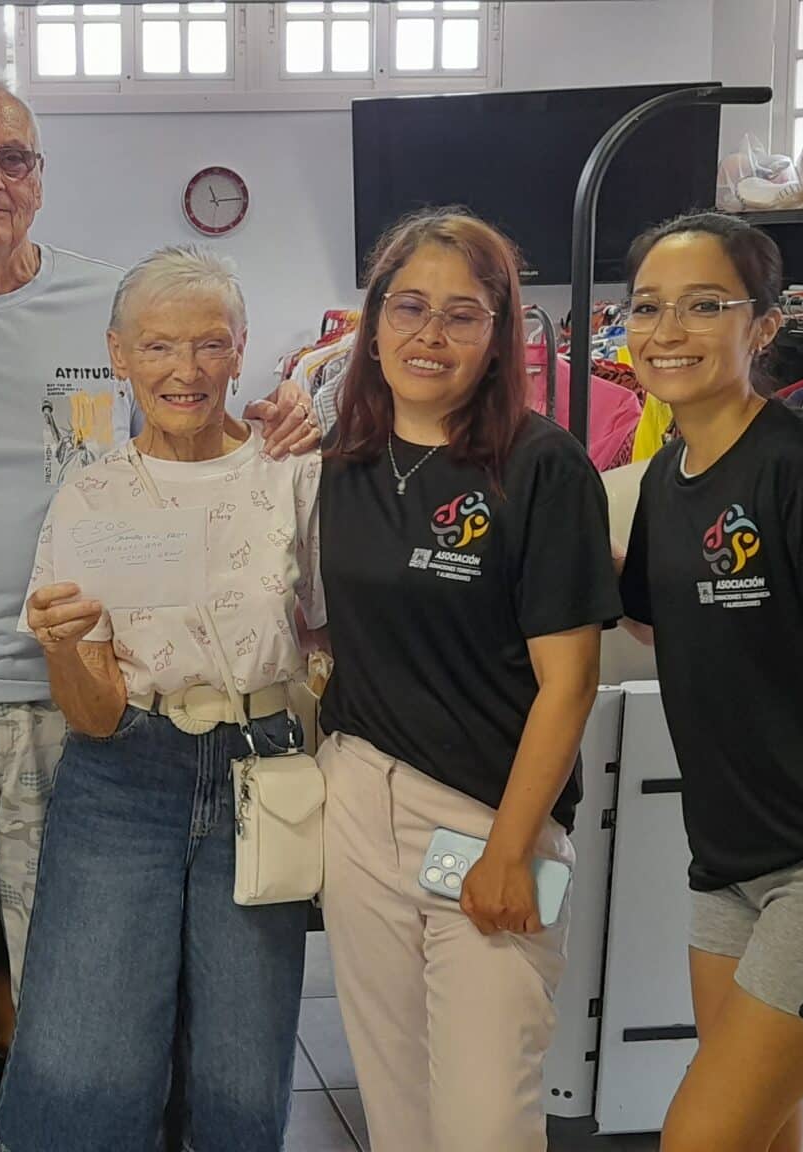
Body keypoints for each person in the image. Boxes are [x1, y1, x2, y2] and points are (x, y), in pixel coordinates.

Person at [0, 65, 317, 1151]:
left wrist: (289, 416)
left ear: (41, 178)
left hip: (91, 711)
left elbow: (202, 426)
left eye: (14, 157)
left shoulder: (112, 304)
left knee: (78, 990)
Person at [613, 213, 803, 1152]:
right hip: (728, 863)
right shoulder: (666, 476)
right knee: (759, 1131)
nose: (668, 331)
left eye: (704, 305)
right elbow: (662, 616)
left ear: (763, 325)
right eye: (648, 307)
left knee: (699, 1139)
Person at [0, 247, 320, 1151]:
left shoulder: (293, 473)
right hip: (125, 776)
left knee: (242, 1068)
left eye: (210, 343)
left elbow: (335, 637)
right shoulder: (91, 496)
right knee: (85, 1053)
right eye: (158, 346)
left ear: (241, 349)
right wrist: (61, 644)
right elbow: (93, 715)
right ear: (118, 355)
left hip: (262, 773)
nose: (186, 370)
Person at [313, 209, 618, 1152]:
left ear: (499, 335)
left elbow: (570, 685)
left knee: (486, 1122)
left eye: (462, 315)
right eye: (408, 307)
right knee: (397, 1110)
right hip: (359, 801)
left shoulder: (542, 468)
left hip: (491, 818)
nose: (430, 335)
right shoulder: (339, 462)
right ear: (373, 322)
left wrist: (510, 852)